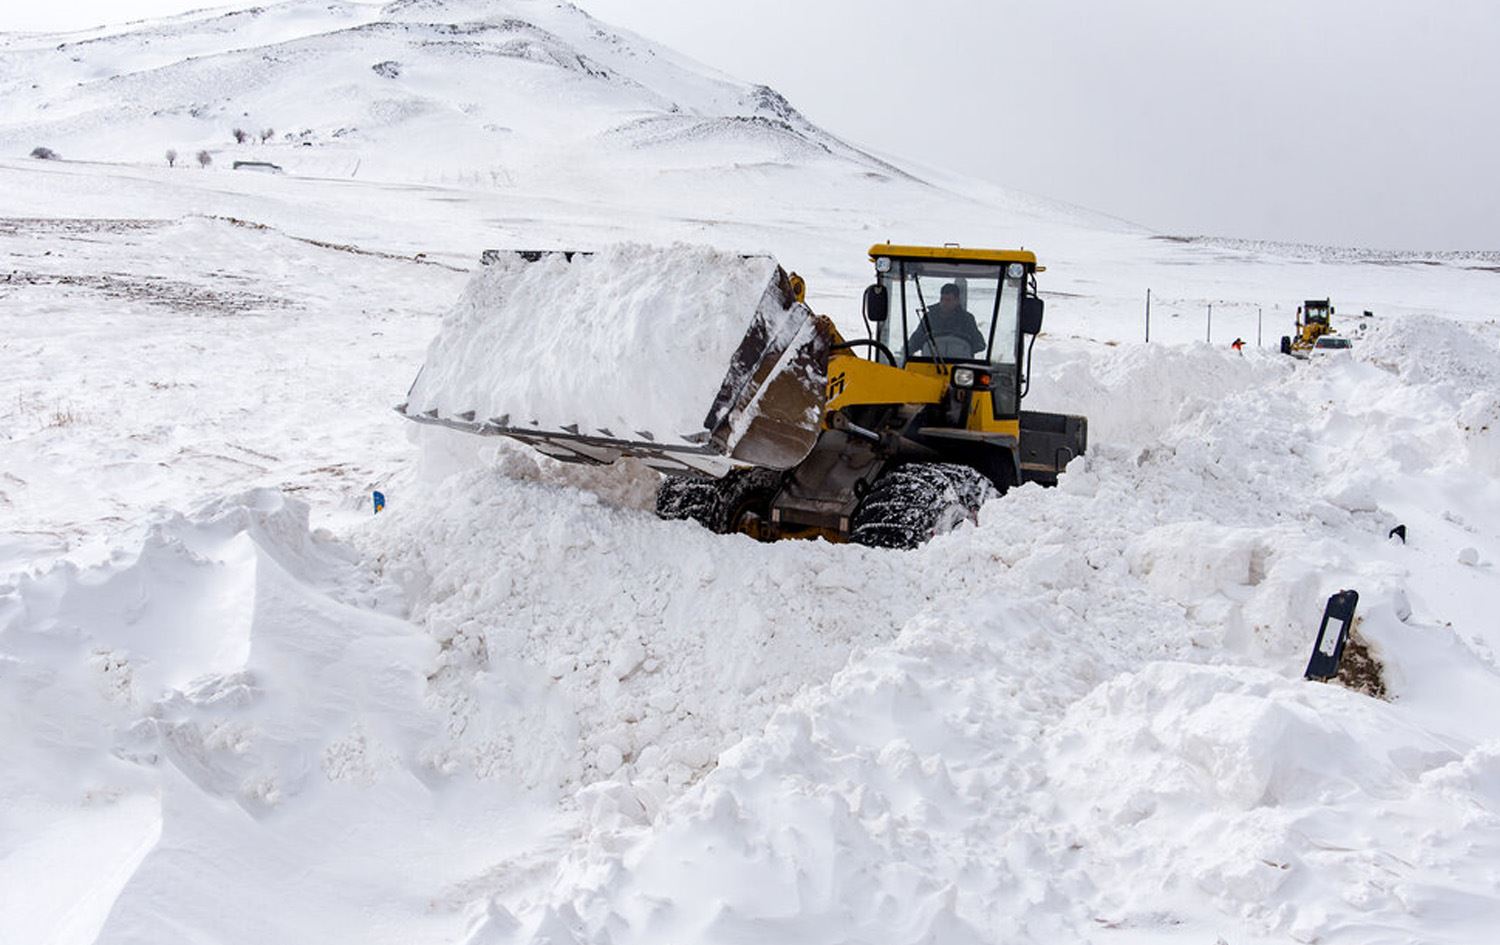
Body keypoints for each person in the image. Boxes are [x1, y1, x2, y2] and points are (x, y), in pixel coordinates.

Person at [907, 283, 986, 359]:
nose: (944, 303)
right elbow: (916, 339)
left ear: (957, 300)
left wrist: (967, 347)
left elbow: (979, 343)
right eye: (942, 299)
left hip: (959, 365)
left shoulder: (967, 319)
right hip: (931, 362)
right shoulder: (929, 317)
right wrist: (908, 350)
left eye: (948, 300)